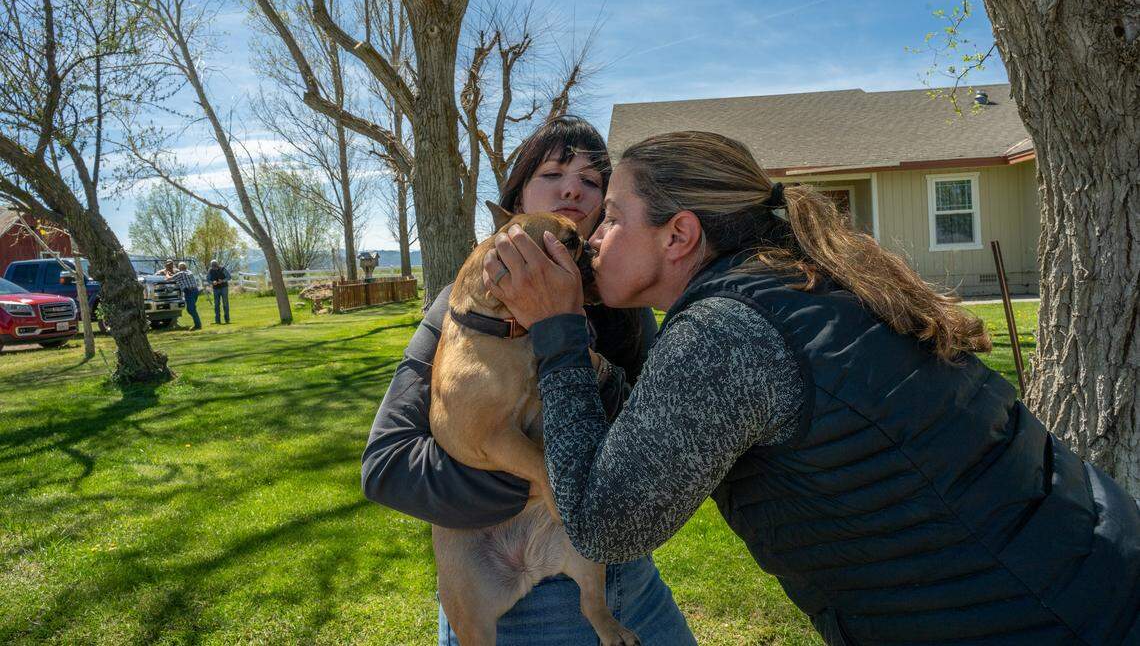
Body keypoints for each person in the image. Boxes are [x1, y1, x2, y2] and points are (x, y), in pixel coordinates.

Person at [482, 131, 1140, 646]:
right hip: (1086, 571)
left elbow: (605, 524)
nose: (592, 239)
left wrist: (560, 334)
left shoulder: (726, 332)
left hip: (1043, 620)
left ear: (679, 235)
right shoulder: (793, 283)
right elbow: (664, 437)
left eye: (612, 219)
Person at [361, 116, 696, 645]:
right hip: (506, 602)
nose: (573, 188)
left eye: (592, 181)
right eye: (554, 172)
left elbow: (660, 447)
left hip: (624, 586)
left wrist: (581, 356)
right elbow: (387, 466)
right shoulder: (464, 305)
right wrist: (531, 482)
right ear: (516, 203)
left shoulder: (626, 305)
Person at [172, 261, 201, 331]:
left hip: (189, 292)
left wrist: (167, 274)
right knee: (192, 308)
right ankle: (197, 324)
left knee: (191, 309)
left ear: (179, 268)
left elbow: (169, 278)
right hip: (195, 291)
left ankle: (198, 325)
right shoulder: (189, 272)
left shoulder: (181, 273)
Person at [207, 259, 231, 324]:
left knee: (225, 304)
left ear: (217, 265)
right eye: (213, 266)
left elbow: (229, 277)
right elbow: (208, 279)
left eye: (215, 266)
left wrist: (222, 281)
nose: (214, 268)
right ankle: (217, 321)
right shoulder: (210, 271)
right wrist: (212, 282)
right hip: (215, 289)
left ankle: (227, 319)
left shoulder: (223, 269)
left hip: (224, 288)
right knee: (216, 304)